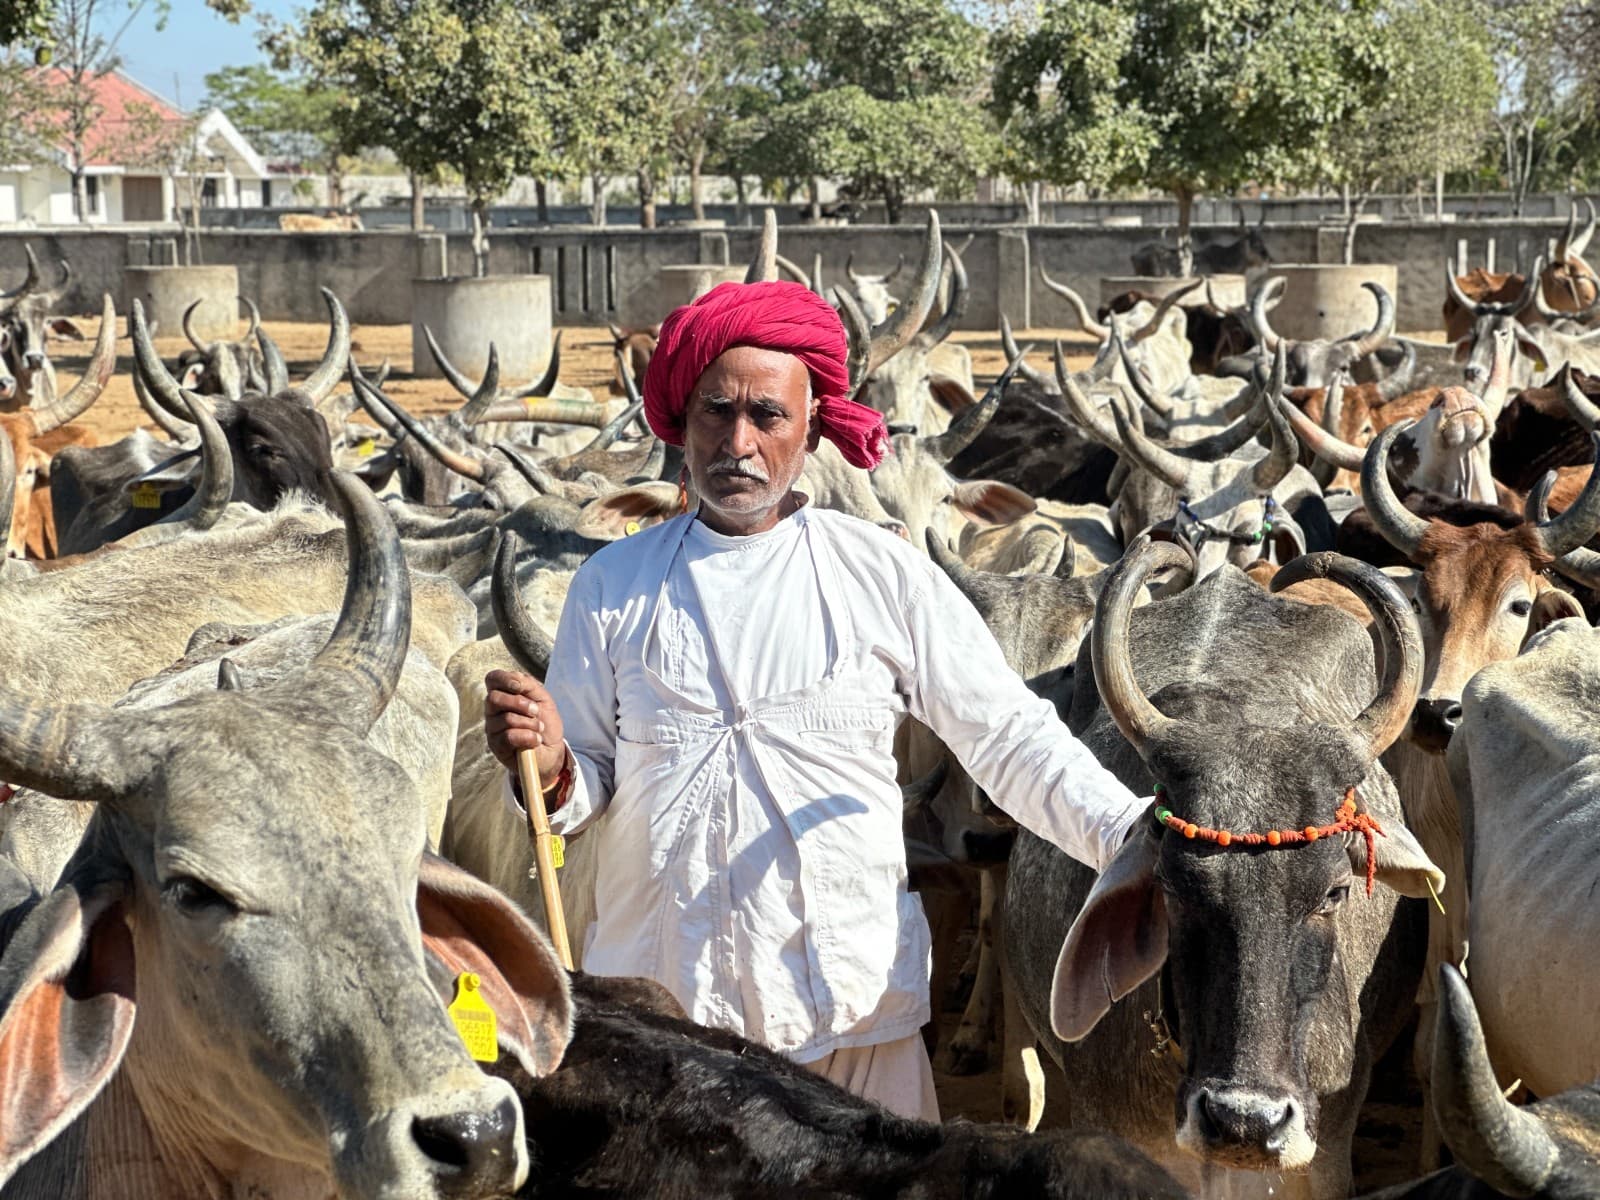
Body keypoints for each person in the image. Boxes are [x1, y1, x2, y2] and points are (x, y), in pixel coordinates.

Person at [485, 280, 1147, 1122]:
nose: (739, 441)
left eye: (768, 416)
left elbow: (1008, 737)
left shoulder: (884, 573)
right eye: (715, 413)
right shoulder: (612, 584)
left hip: (851, 1008)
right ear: (681, 426)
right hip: (665, 1007)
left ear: (812, 430)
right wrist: (546, 761)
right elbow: (580, 791)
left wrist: (1129, 831)